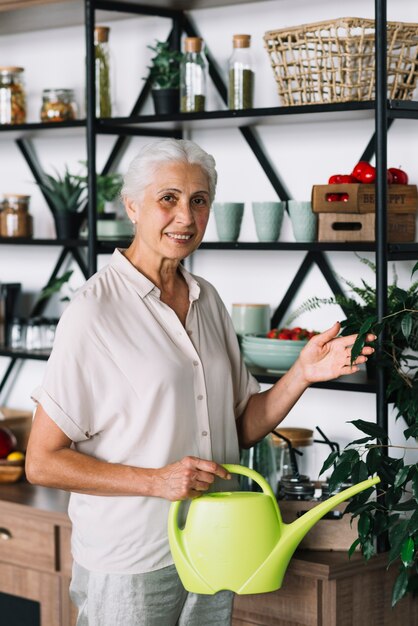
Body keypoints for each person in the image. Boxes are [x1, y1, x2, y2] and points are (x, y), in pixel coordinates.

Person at [25, 138, 375, 626]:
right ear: (132, 206)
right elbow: (42, 462)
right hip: (133, 558)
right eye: (167, 198)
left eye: (199, 200)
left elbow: (239, 426)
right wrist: (157, 481)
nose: (185, 217)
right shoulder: (94, 311)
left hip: (213, 541)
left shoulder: (206, 298)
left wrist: (303, 372)